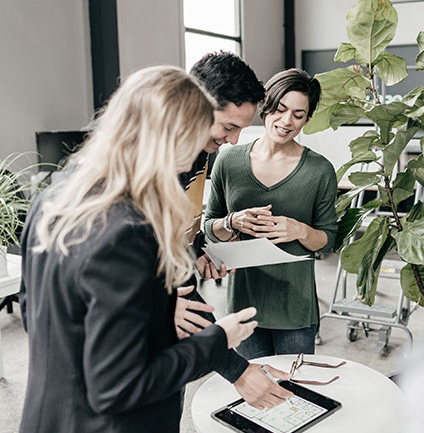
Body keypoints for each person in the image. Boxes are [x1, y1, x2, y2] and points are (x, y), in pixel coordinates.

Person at [18, 66, 258, 432]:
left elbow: (35, 312)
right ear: (171, 138)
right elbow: (118, 387)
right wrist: (218, 339)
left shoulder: (52, 199)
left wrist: (149, 306)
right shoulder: (129, 232)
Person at [173, 51, 293, 407]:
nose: (235, 140)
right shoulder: (155, 170)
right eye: (228, 127)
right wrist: (236, 369)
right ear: (193, 107)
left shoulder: (199, 154)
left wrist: (197, 254)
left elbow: (182, 230)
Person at [203, 68, 338, 358]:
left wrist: (299, 230)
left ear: (308, 119)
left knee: (296, 394)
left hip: (296, 310)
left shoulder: (319, 170)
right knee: (247, 396)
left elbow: (328, 240)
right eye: (280, 109)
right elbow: (207, 226)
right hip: (244, 305)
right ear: (265, 107)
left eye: (298, 115)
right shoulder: (228, 160)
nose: (287, 121)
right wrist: (232, 221)